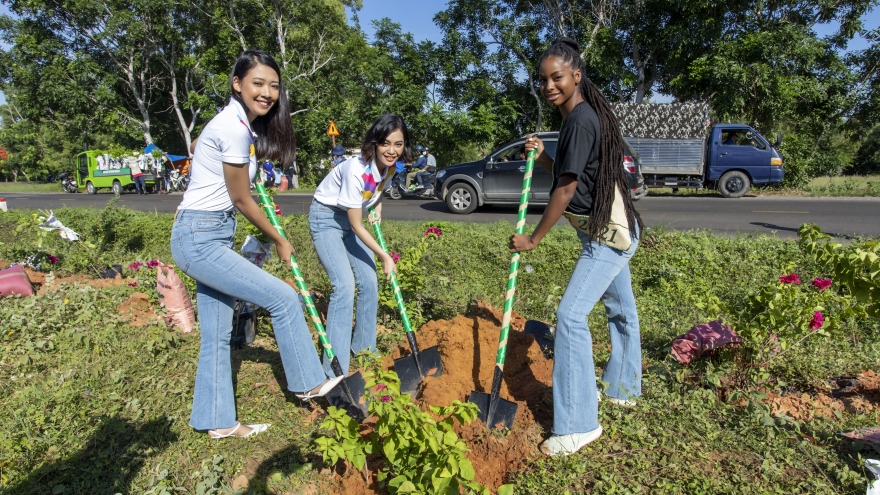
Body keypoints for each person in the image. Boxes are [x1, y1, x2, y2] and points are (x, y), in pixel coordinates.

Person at [171, 50, 343, 440]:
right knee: (283, 298)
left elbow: (199, 147)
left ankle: (217, 422)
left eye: (274, 86)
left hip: (206, 234)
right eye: (257, 84)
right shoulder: (232, 127)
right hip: (200, 237)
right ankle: (308, 382)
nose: (267, 93)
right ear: (237, 84)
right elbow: (241, 198)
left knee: (215, 333)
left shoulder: (233, 124)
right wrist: (279, 238)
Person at [509, 38, 644, 457]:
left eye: (557, 77)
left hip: (608, 236)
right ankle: (623, 387)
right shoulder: (580, 118)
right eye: (543, 79)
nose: (549, 85)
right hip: (612, 230)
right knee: (622, 310)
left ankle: (580, 423)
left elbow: (566, 191)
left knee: (569, 317)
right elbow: (576, 173)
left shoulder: (581, 120)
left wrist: (532, 238)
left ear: (576, 76)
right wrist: (545, 157)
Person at [309, 113, 405, 378]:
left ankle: (364, 349)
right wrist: (385, 256)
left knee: (369, 280)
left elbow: (377, 189)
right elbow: (356, 226)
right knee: (344, 286)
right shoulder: (355, 170)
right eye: (385, 143)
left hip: (353, 216)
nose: (392, 150)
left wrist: (377, 204)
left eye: (398, 144)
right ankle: (333, 370)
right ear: (374, 143)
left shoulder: (391, 167)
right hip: (327, 218)